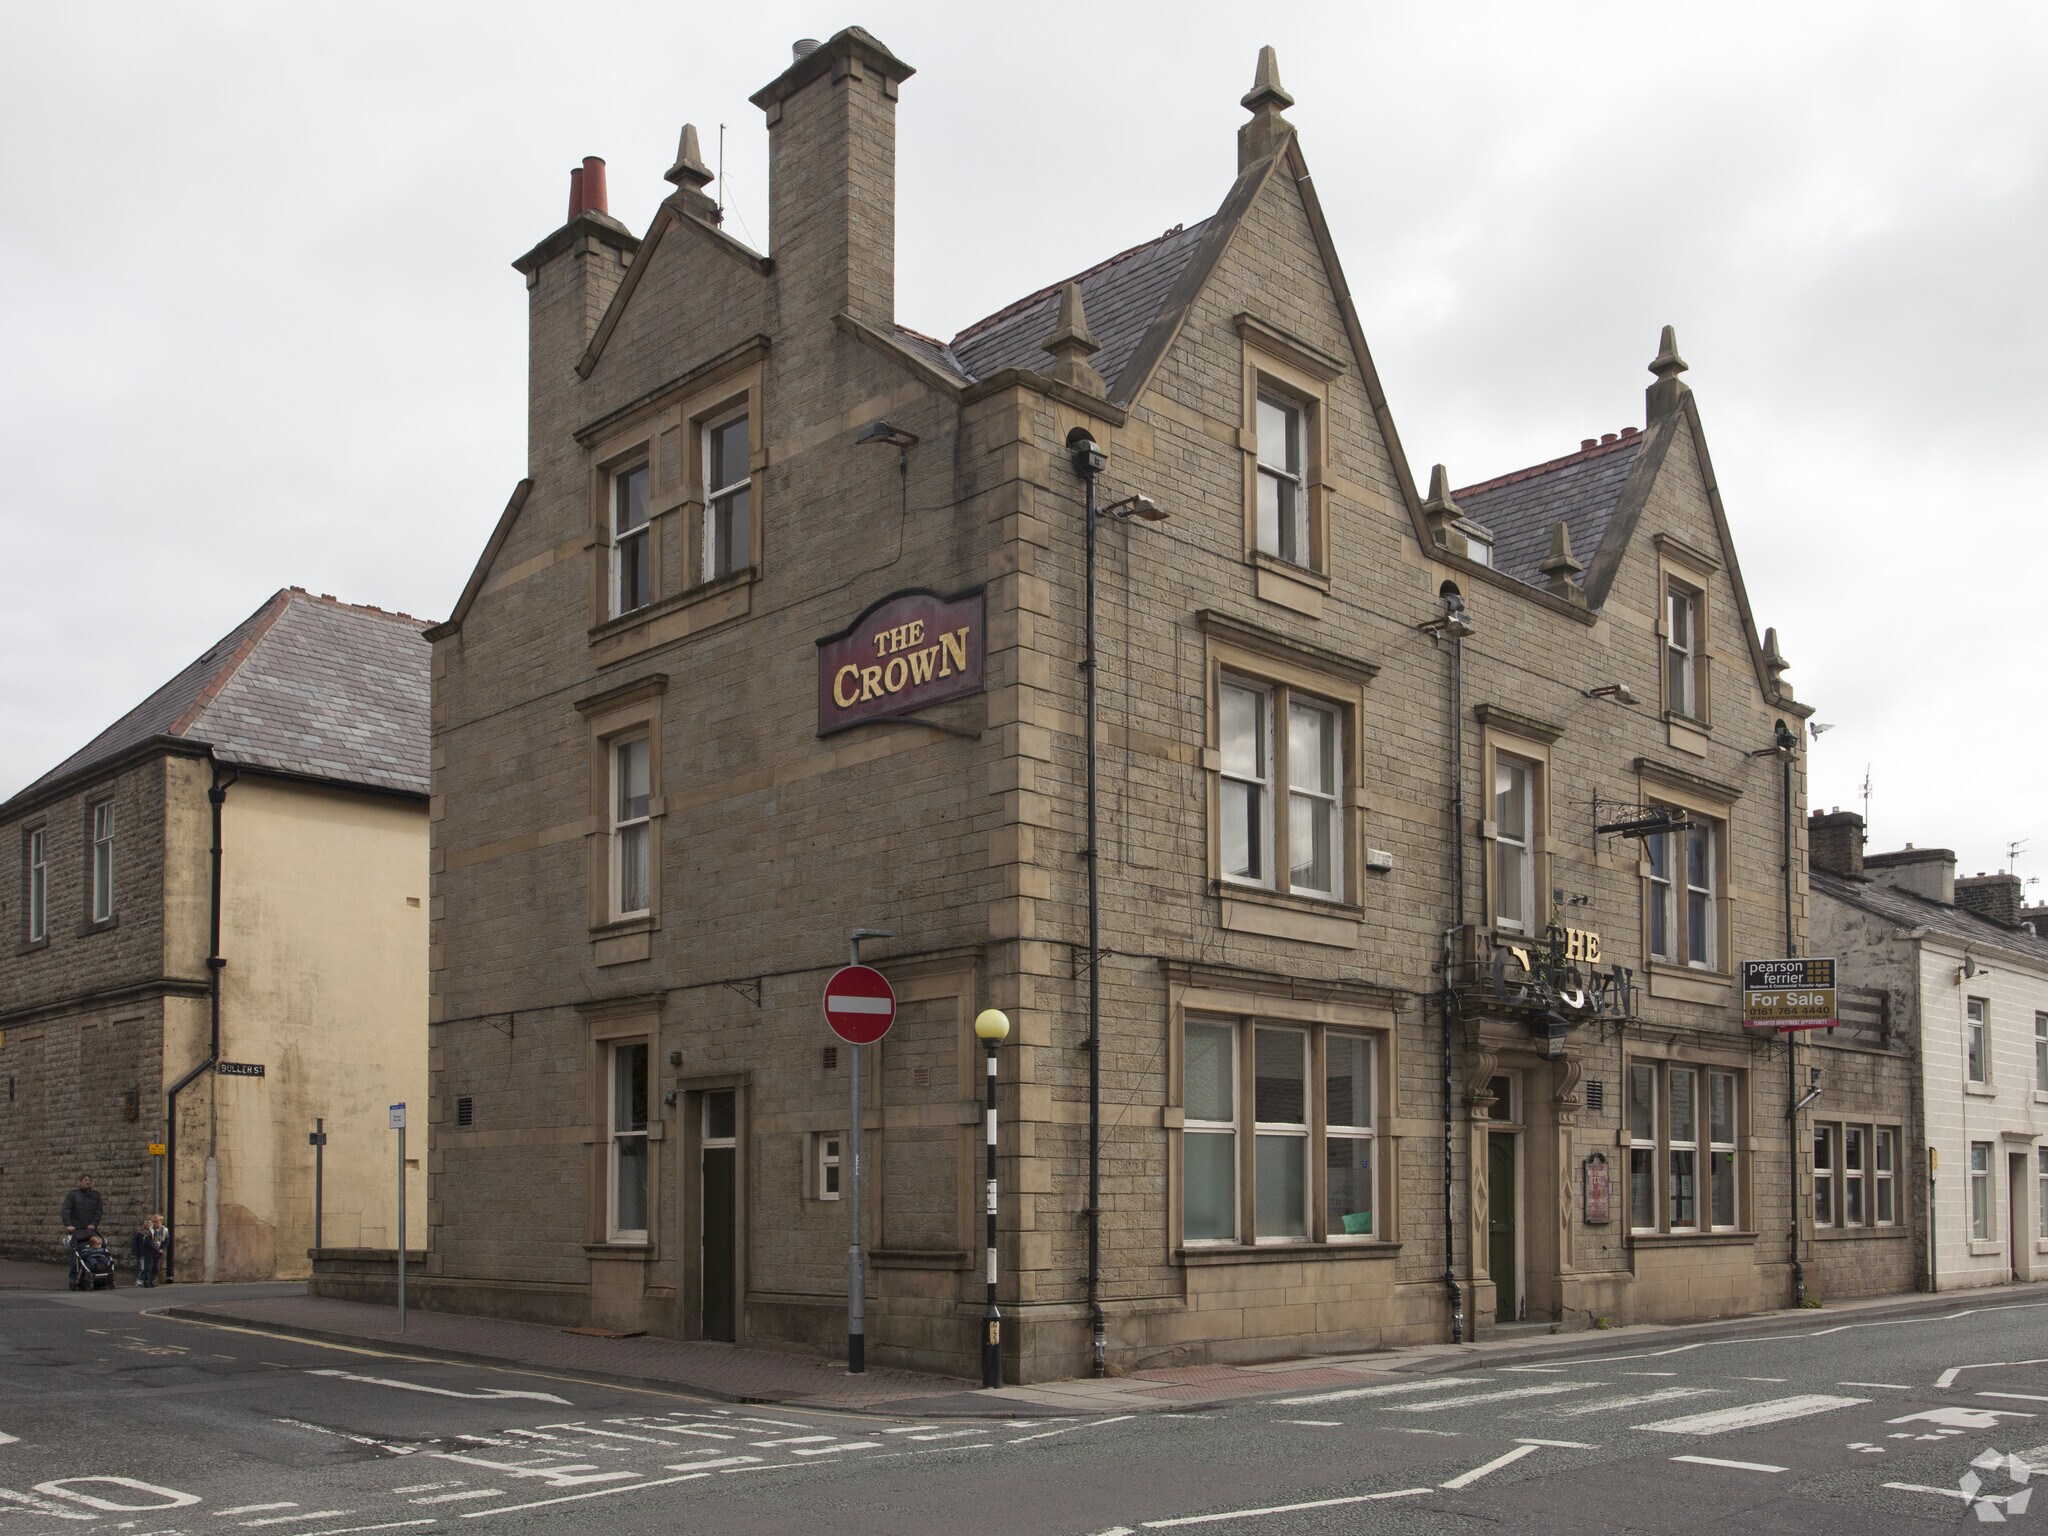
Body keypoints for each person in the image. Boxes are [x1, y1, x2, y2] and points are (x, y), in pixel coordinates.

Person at [134, 1215, 169, 1287]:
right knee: (148, 1267)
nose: (155, 1224)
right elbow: (148, 1242)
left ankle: (153, 1280)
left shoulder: (165, 1230)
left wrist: (162, 1249)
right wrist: (157, 1249)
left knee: (156, 1267)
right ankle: (146, 1281)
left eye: (157, 1222)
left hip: (158, 1251)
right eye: (154, 1222)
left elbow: (166, 1240)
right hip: (149, 1251)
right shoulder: (149, 1230)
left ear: (161, 1222)